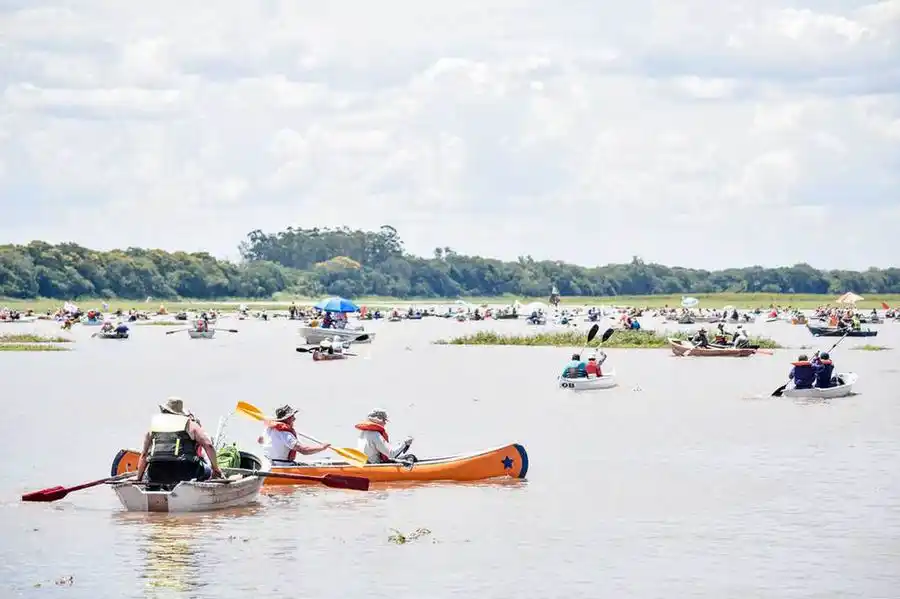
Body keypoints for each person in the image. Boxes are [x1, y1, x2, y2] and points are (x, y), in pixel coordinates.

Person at [134, 397, 222, 486]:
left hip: (156, 473)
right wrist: (216, 470)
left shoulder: (153, 427)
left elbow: (144, 455)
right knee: (207, 471)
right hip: (183, 472)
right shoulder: (190, 424)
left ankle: (154, 488)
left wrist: (138, 478)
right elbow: (208, 445)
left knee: (150, 474)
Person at [258, 405, 330, 464]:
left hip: (268, 464)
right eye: (292, 417)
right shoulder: (285, 433)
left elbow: (260, 440)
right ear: (288, 419)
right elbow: (304, 450)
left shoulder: (268, 428)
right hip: (283, 466)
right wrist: (322, 447)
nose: (294, 419)